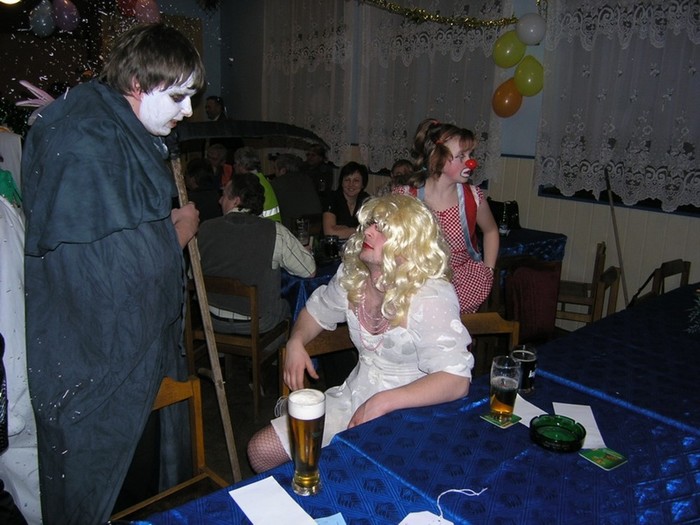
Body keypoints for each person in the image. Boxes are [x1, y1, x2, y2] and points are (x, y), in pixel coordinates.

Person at [21, 23, 204, 524]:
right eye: (179, 96)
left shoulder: (111, 129)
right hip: (99, 364)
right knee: (115, 494)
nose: (189, 110)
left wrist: (159, 230)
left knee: (139, 484)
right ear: (138, 84)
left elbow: (114, 234)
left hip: (129, 352)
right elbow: (109, 272)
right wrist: (178, 232)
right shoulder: (89, 140)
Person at [247, 194, 474, 472]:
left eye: (382, 228)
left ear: (408, 242)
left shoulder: (430, 294)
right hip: (354, 397)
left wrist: (383, 401)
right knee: (260, 451)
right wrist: (296, 341)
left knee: (354, 474)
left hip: (414, 412)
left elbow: (456, 380)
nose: (367, 232)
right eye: (370, 224)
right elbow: (315, 313)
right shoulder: (353, 275)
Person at [393, 118, 499, 314]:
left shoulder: (473, 197)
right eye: (461, 156)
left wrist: (488, 271)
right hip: (417, 286)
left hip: (463, 287)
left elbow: (491, 231)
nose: (471, 162)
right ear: (437, 159)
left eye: (470, 154)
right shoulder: (406, 197)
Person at [198, 172, 316, 334]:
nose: (219, 200)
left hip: (210, 319)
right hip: (257, 323)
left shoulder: (205, 229)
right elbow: (309, 270)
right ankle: (286, 348)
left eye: (224, 195)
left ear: (236, 200)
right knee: (292, 305)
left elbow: (193, 275)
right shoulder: (274, 231)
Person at [270, 153, 323, 234]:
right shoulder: (307, 179)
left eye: (275, 169)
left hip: (292, 229)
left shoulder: (277, 183)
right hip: (315, 226)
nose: (275, 172)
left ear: (283, 170)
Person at [322, 161, 371, 240]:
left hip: (356, 244)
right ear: (341, 182)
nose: (351, 184)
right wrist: (359, 230)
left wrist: (344, 230)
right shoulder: (332, 198)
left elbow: (372, 229)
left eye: (356, 180)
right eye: (347, 180)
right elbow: (329, 233)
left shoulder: (366, 200)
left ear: (363, 184)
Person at [233, 146, 282, 222]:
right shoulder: (261, 180)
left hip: (266, 226)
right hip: (272, 225)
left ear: (241, 165)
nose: (234, 166)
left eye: (235, 163)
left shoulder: (251, 184)